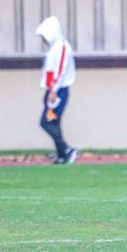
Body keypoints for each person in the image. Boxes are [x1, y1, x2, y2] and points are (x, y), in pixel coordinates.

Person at [35, 16, 78, 165]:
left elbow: (60, 69)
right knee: (54, 122)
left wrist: (53, 90)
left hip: (59, 91)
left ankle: (67, 150)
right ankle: (61, 155)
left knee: (46, 121)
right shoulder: (54, 48)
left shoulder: (62, 47)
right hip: (53, 90)